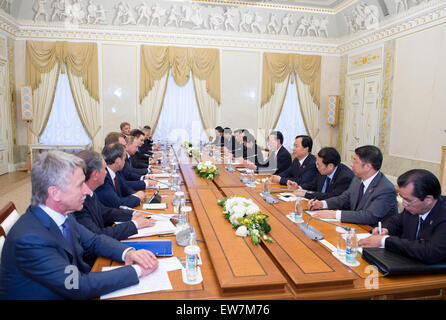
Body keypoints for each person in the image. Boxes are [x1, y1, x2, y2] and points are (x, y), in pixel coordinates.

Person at [0, 151, 158, 299]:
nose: (86, 190)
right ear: (55, 193)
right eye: (79, 185)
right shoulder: (30, 239)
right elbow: (76, 284)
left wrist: (128, 253)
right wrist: (137, 270)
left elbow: (94, 240)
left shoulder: (62, 215)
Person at [73, 150, 156, 266]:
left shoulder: (90, 193)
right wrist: (134, 225)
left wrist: (131, 215)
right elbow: (97, 235)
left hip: (104, 250)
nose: (107, 173)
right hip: (94, 261)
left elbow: (105, 212)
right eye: (104, 169)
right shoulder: (77, 203)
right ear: (95, 174)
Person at [359, 169, 446, 264]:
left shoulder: (442, 214)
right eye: (401, 197)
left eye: (407, 200)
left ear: (428, 199)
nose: (404, 204)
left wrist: (384, 241)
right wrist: (385, 229)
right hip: (408, 262)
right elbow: (396, 221)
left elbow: (431, 252)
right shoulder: (413, 207)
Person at [309, 145, 398, 227]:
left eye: (355, 161)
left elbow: (369, 216)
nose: (351, 164)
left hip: (373, 233)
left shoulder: (385, 189)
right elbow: (344, 198)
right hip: (355, 226)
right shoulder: (357, 179)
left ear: (368, 166)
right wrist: (322, 204)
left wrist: (334, 214)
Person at [288, 147, 354, 200]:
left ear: (330, 166)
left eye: (319, 165)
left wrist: (306, 194)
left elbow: (331, 196)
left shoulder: (345, 177)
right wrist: (299, 187)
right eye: (317, 164)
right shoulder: (324, 171)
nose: (317, 167)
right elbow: (314, 184)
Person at [95, 143, 145, 208]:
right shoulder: (104, 177)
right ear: (118, 161)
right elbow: (117, 203)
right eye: (124, 159)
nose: (124, 162)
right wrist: (137, 197)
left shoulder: (116, 172)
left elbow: (125, 187)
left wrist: (135, 194)